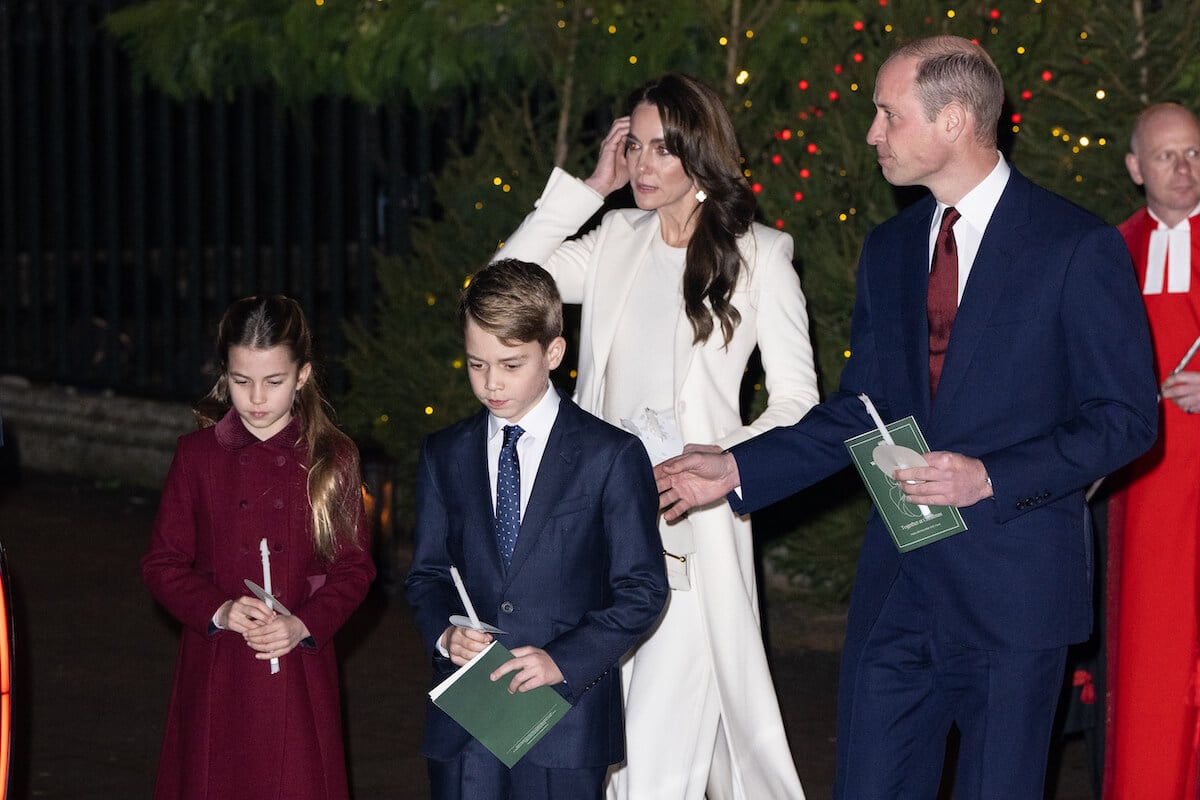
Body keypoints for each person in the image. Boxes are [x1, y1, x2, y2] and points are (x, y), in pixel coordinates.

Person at [654, 36, 1159, 798]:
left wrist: (991, 477)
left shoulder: (1074, 245)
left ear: (954, 119)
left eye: (888, 114)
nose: (873, 133)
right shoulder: (890, 248)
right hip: (900, 586)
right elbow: (864, 409)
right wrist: (736, 467)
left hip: (1013, 598)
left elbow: (1125, 421)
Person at [495, 72, 816, 800]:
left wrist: (726, 461)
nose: (641, 163)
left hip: (690, 535)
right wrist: (587, 187)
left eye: (660, 149)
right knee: (602, 750)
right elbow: (505, 283)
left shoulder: (762, 254)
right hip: (597, 528)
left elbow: (799, 403)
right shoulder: (614, 238)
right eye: (632, 146)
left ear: (699, 154)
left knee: (654, 761)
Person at [404, 258, 668, 800]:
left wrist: (561, 660)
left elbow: (642, 588)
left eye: (510, 364)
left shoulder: (610, 455)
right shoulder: (444, 453)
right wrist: (444, 634)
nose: (491, 383)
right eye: (476, 365)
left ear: (553, 352)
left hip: (564, 720)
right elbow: (427, 574)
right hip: (467, 713)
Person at [142, 295, 376, 799]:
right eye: (241, 381)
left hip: (298, 670)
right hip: (218, 670)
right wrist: (219, 609)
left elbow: (354, 570)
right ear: (224, 373)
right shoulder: (197, 456)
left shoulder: (332, 458)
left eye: (274, 382)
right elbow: (162, 564)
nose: (256, 399)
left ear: (303, 375)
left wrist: (303, 624)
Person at [1105, 102, 1200, 799]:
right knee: (1147, 657)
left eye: (1195, 152)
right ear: (1137, 168)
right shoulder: (1110, 249)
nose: (1185, 169)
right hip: (1138, 488)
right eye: (1167, 156)